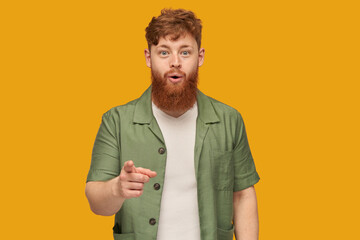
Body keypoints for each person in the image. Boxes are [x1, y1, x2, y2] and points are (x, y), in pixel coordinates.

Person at [85, 8, 260, 240]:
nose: (175, 62)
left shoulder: (229, 120)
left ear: (200, 57)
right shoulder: (116, 121)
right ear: (149, 58)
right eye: (164, 52)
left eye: (185, 52)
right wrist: (117, 189)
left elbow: (243, 195)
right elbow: (97, 202)